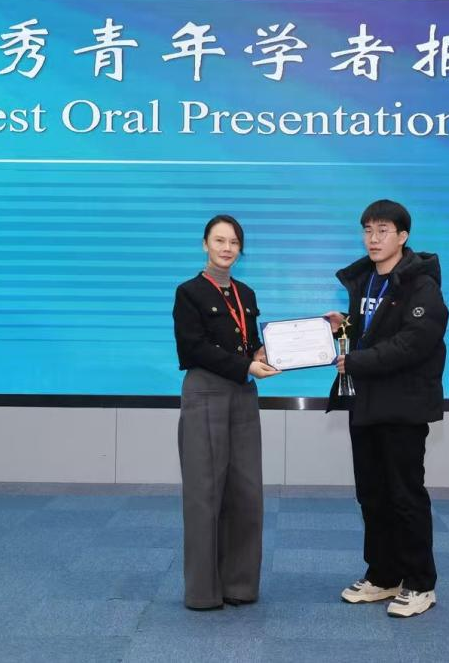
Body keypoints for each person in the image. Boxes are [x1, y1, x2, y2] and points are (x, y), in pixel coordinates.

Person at [326, 199, 448, 618]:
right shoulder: (365, 280)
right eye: (367, 230)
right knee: (372, 495)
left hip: (403, 407)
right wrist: (343, 328)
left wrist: (357, 361)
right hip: (365, 403)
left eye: (382, 231)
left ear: (402, 236)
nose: (373, 239)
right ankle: (383, 575)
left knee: (405, 496)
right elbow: (369, 333)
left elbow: (413, 343)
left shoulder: (422, 286)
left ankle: (420, 583)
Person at [172, 215, 280, 610]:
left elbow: (247, 344)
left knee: (247, 492)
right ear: (205, 244)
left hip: (243, 395)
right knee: (204, 494)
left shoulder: (245, 293)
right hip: (205, 394)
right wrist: (245, 365)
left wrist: (263, 353)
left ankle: (240, 585)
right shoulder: (188, 292)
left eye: (234, 242)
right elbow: (192, 348)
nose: (227, 248)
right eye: (219, 240)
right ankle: (202, 591)